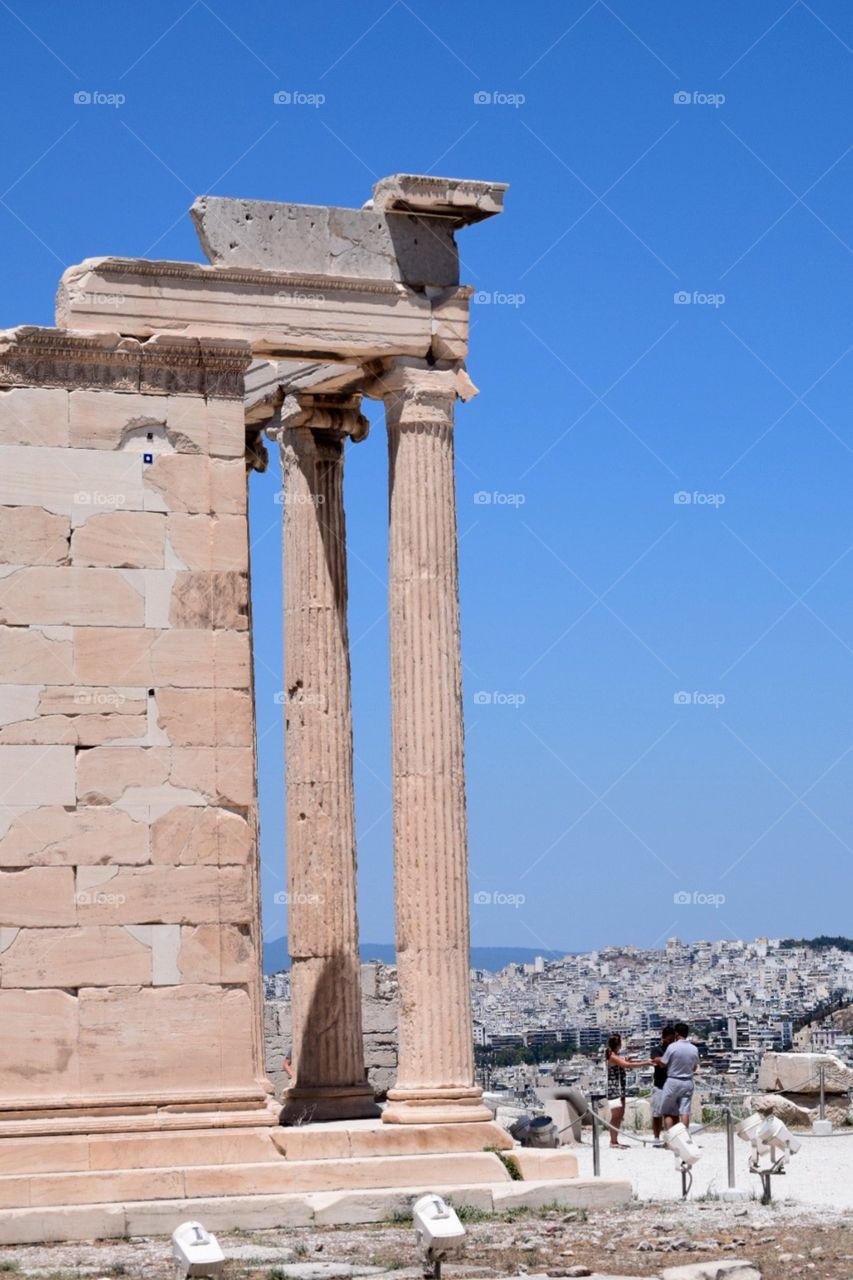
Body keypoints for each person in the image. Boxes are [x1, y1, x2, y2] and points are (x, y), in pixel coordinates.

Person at [604, 1034, 653, 1148]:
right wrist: (645, 1063)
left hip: (619, 1089)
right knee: (616, 1116)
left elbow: (623, 1063)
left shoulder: (614, 1055)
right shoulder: (612, 1056)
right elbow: (627, 1065)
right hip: (614, 1089)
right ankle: (613, 1141)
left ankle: (615, 1140)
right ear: (619, 1044)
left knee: (619, 1115)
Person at [657, 1022, 699, 1131]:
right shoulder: (694, 1048)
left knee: (668, 1111)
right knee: (685, 1111)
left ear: (676, 1033)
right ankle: (684, 1136)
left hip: (673, 1081)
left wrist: (659, 1061)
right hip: (688, 1081)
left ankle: (670, 1137)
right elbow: (694, 1068)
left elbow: (663, 1063)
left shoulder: (672, 1047)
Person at [651, 1025, 676, 1145]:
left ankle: (671, 1137)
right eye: (669, 1039)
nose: (671, 1042)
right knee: (657, 1113)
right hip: (660, 1085)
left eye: (673, 1040)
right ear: (663, 1038)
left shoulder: (674, 1049)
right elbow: (656, 1061)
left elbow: (661, 1062)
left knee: (672, 1113)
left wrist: (663, 1061)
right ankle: (656, 1137)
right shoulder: (656, 1049)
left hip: (672, 1085)